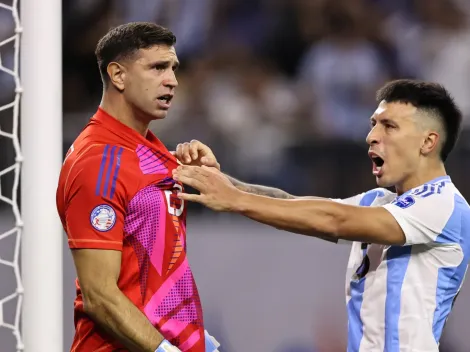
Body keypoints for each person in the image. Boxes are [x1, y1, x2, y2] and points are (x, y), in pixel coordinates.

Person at [171, 79, 470, 351]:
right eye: (373, 124)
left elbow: (334, 220)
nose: (371, 136)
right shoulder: (381, 201)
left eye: (389, 126)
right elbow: (295, 203)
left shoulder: (444, 204)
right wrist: (225, 182)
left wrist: (236, 200)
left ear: (428, 142)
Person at [56, 22, 219, 352]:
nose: (172, 80)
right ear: (118, 75)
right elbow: (99, 295)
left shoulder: (154, 152)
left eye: (173, 68)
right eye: (157, 67)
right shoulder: (98, 162)